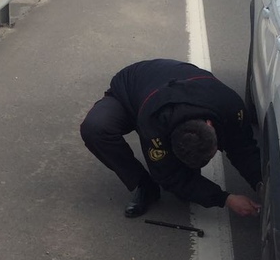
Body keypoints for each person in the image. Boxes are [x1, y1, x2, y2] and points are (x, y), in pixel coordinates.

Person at [80, 59, 262, 218]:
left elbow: (243, 149)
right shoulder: (154, 125)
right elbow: (169, 175)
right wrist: (225, 199)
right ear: (170, 138)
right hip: (131, 89)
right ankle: (144, 186)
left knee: (188, 189)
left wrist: (261, 183)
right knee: (95, 128)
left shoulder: (230, 106)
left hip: (180, 84)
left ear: (210, 124)